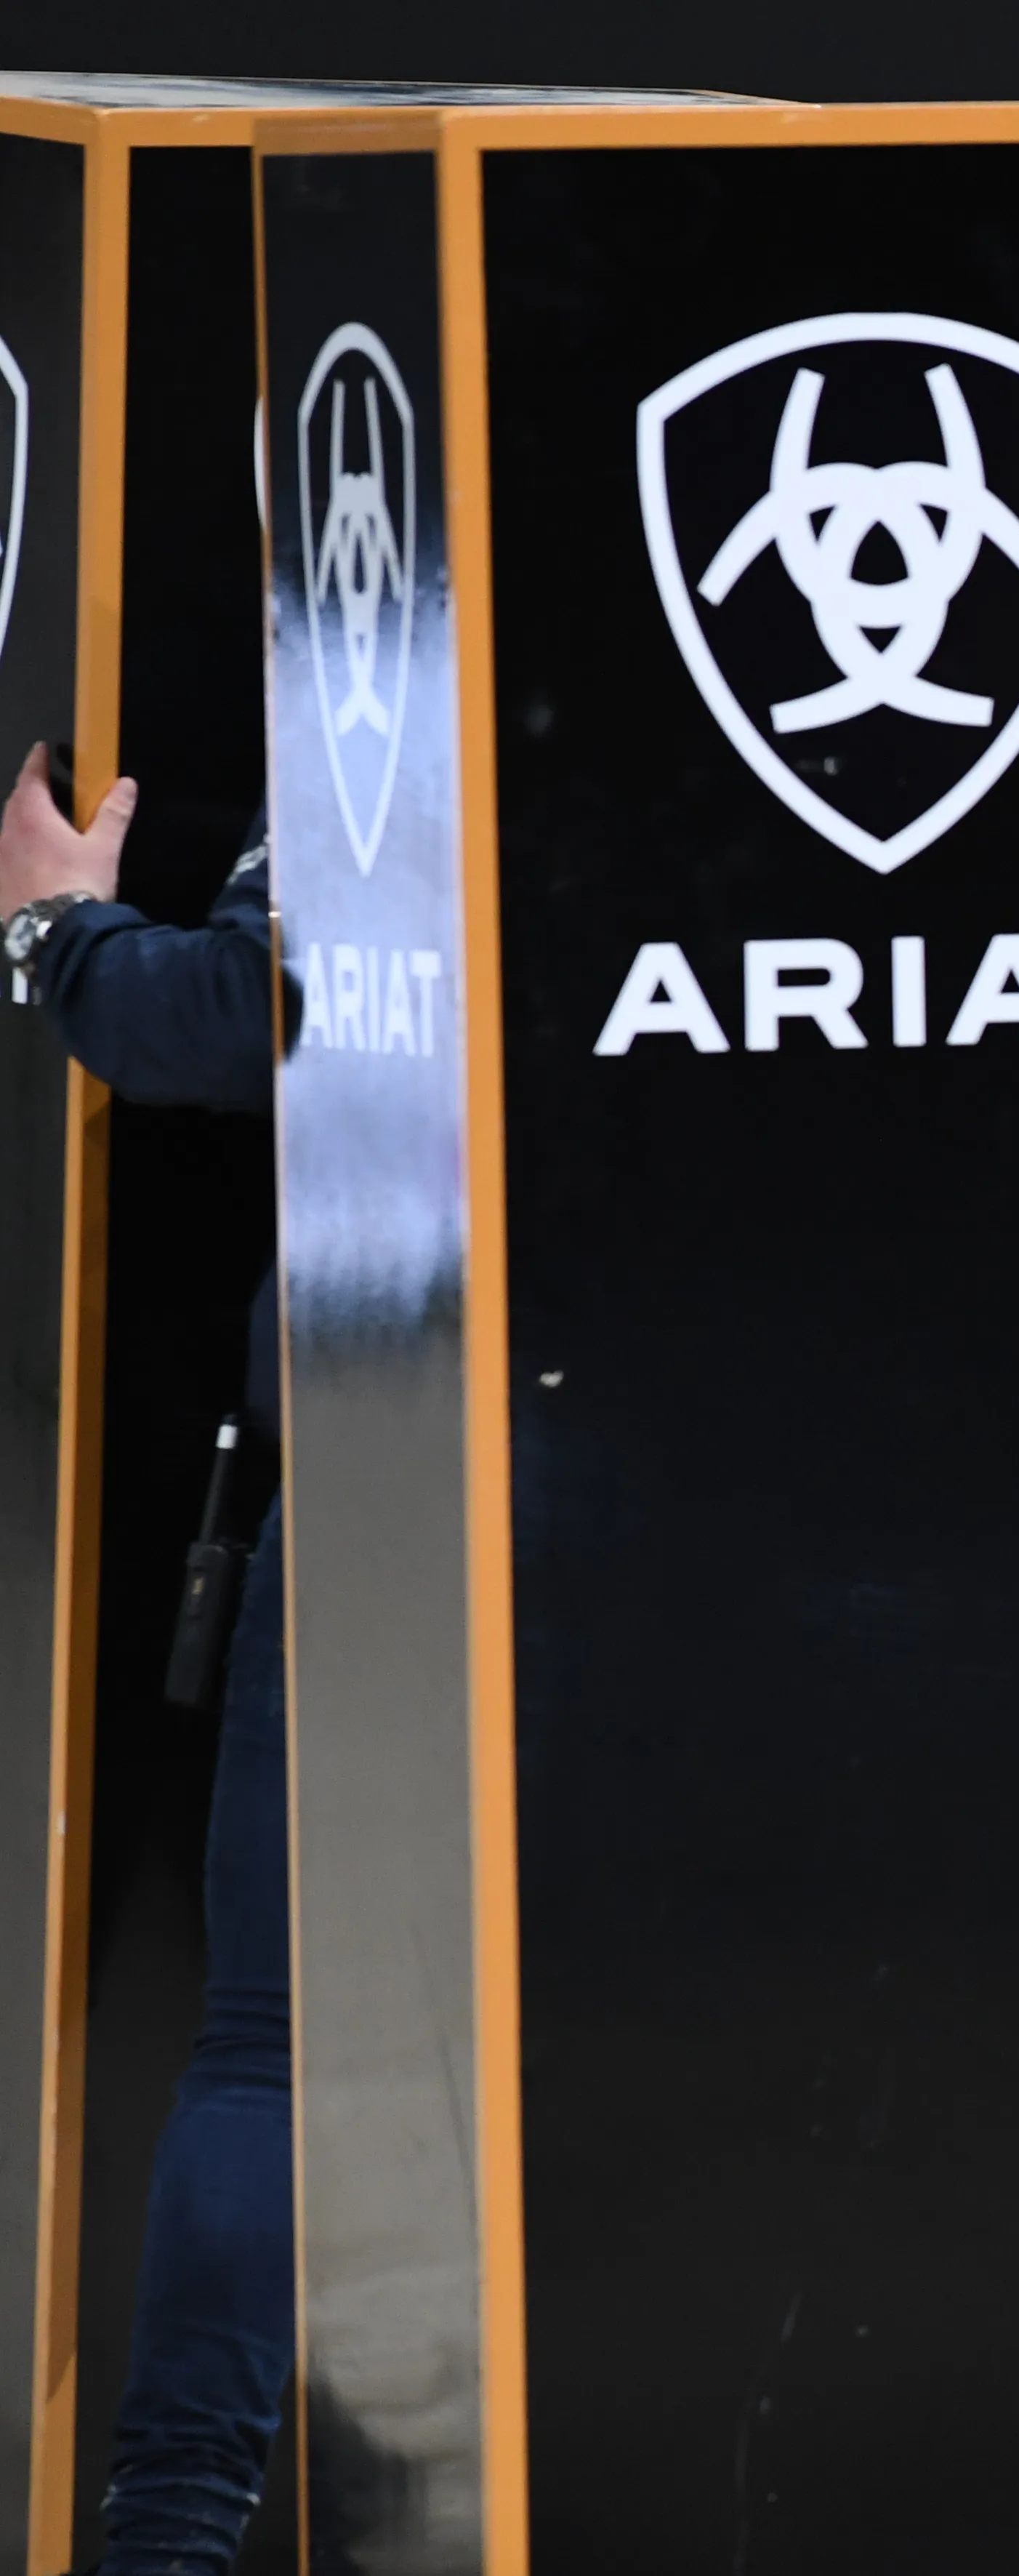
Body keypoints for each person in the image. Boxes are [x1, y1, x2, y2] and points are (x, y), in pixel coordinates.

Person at [2, 744, 295, 2575]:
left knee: (273, 2045)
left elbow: (232, 1010)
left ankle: (171, 2543)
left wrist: (52, 931)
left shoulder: (397, 663)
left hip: (409, 1422)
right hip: (722, 1454)